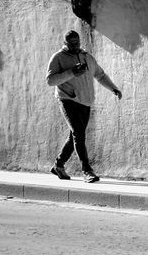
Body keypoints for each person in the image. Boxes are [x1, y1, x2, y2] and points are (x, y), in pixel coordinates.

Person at [45, 29, 122, 183]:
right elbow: (50, 80)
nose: (75, 46)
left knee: (74, 136)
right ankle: (87, 170)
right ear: (65, 43)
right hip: (67, 100)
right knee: (78, 134)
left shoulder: (87, 57)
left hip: (85, 102)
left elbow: (100, 74)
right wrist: (72, 72)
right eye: (71, 44)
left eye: (77, 43)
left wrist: (113, 88)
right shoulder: (58, 58)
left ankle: (58, 165)